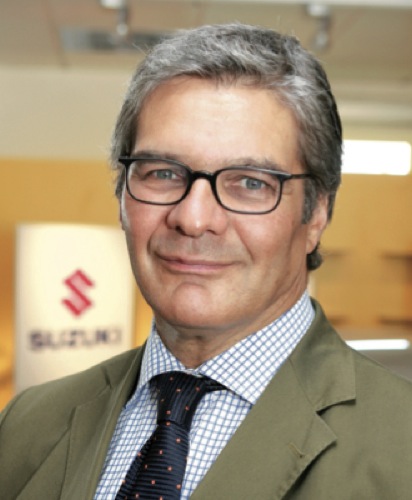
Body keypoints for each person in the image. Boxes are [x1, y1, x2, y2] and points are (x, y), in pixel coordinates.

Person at [1, 23, 412, 500]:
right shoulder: (26, 426)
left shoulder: (400, 445)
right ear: (122, 197)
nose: (193, 219)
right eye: (162, 173)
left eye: (250, 183)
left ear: (316, 213)